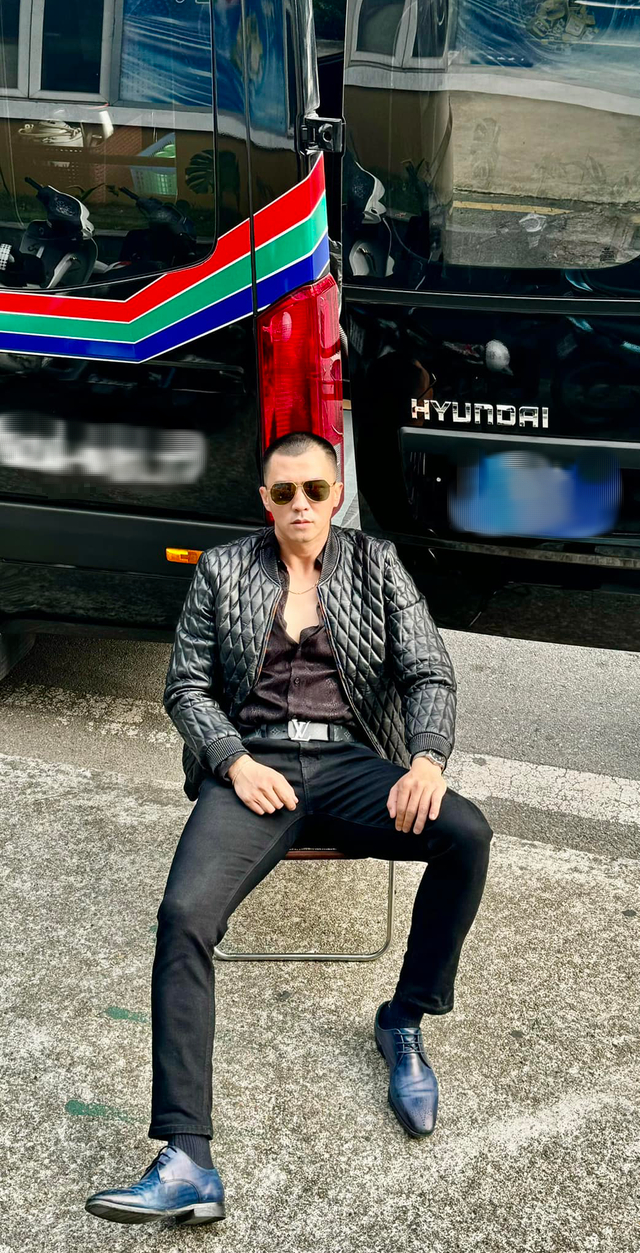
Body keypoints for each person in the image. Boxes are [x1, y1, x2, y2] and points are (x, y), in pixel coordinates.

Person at [85, 430, 493, 1228]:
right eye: (284, 492)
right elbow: (186, 687)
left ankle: (404, 1020)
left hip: (349, 762)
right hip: (256, 769)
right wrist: (233, 761)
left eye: (314, 489)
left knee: (466, 834)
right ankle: (186, 1160)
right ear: (264, 501)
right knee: (183, 916)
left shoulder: (377, 563)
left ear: (337, 493)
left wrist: (426, 760)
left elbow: (428, 670)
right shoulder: (223, 569)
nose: (300, 504)